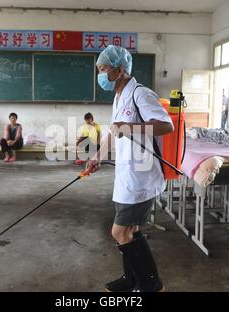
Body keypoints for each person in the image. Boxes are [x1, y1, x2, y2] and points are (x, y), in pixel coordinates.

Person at [87, 45, 174, 292]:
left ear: (120, 69)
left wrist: (131, 128)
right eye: (99, 69)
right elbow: (115, 130)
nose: (100, 74)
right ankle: (131, 279)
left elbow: (166, 126)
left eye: (103, 69)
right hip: (127, 175)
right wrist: (98, 156)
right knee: (130, 230)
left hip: (142, 178)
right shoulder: (118, 96)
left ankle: (151, 284)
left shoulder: (141, 94)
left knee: (119, 231)